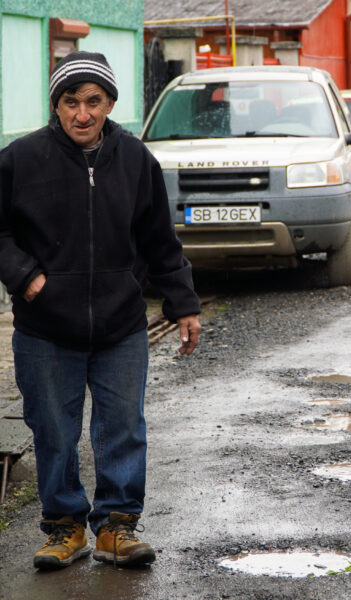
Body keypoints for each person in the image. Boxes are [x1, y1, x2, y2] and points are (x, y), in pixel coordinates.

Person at [0, 51, 202, 569]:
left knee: (123, 427)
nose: (82, 114)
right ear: (56, 105)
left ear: (110, 103)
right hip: (45, 326)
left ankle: (116, 526)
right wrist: (26, 278)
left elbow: (160, 240)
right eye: (71, 102)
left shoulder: (137, 160)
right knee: (53, 429)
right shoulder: (20, 159)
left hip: (120, 325)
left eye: (93, 101)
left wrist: (183, 303)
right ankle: (64, 527)